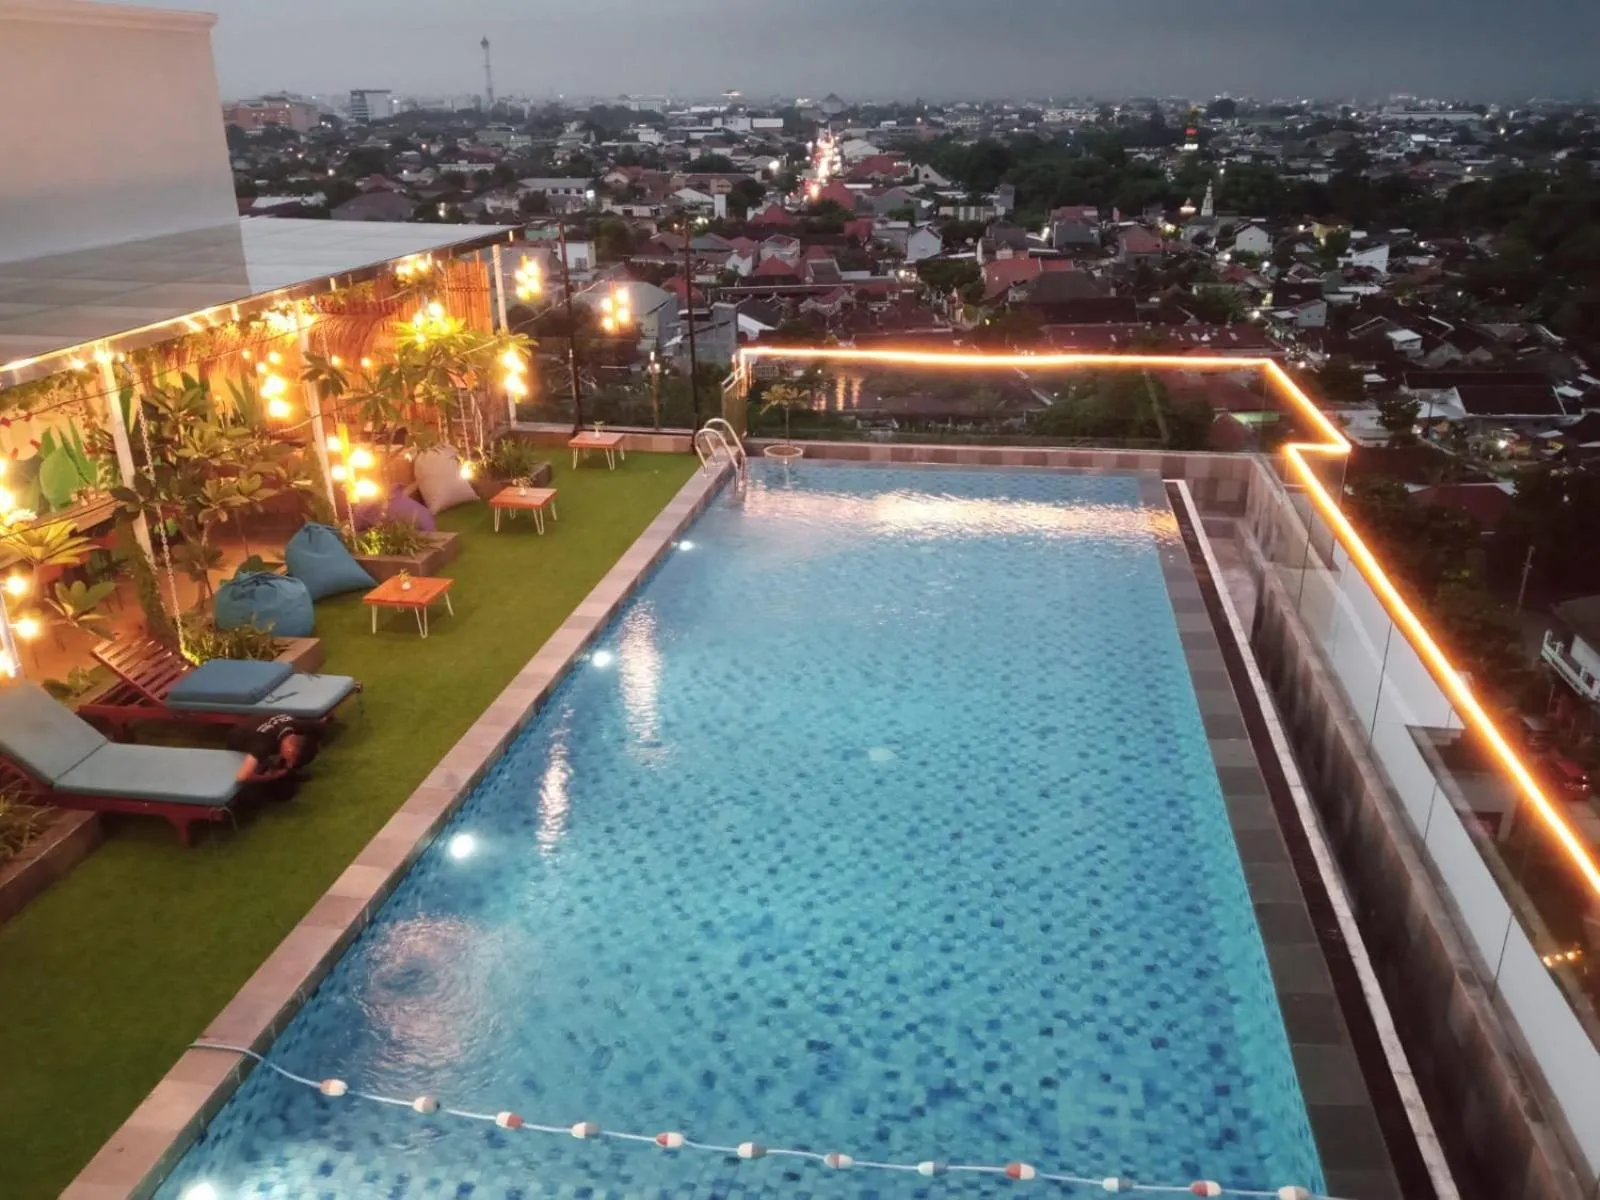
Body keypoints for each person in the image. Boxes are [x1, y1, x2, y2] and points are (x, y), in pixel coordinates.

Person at [228, 713, 323, 800]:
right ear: (290, 750)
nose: (289, 765)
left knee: (287, 783)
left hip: (256, 723)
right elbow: (242, 776)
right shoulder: (264, 743)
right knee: (281, 792)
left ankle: (288, 774)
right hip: (239, 743)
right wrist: (272, 776)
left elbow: (319, 726)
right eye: (291, 761)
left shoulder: (295, 725)